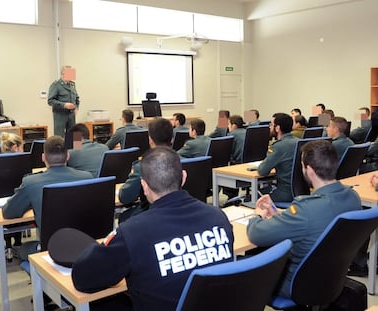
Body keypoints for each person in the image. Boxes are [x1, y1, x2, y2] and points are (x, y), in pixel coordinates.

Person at [71, 147, 234, 311]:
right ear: (183, 177)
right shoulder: (218, 217)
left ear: (144, 186)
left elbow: (83, 278)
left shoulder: (133, 232)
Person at [247, 140, 361, 298]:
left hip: (296, 283)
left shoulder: (306, 208)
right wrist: (277, 214)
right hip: (331, 279)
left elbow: (256, 234)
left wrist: (257, 215)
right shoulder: (353, 197)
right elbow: (313, 224)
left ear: (309, 170)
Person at [2, 135, 93, 259]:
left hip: (51, 251)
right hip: (86, 246)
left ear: (43, 157)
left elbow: (8, 212)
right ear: (68, 156)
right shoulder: (87, 178)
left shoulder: (30, 183)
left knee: (23, 250)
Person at [118, 117, 173, 222]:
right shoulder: (180, 161)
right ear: (172, 138)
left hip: (150, 215)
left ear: (150, 140)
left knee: (124, 217)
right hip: (175, 212)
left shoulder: (142, 166)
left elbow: (125, 197)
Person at [258, 113, 298, 202]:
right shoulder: (298, 142)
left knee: (253, 197)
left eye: (271, 124)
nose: (269, 127)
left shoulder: (278, 146)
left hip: (284, 192)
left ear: (277, 128)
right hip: (299, 191)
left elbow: (262, 171)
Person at [48, 66, 80, 137]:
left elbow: (77, 98)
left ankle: (77, 148)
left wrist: (77, 107)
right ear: (63, 73)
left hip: (71, 115)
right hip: (60, 115)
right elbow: (50, 101)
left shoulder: (72, 85)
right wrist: (64, 105)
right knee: (60, 137)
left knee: (75, 137)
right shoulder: (56, 85)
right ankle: (60, 148)